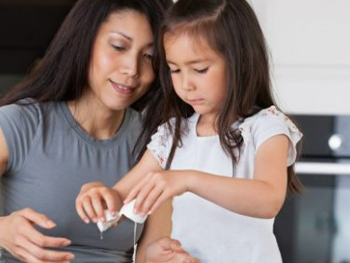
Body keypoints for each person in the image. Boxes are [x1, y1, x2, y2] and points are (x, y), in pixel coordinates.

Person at [75, 0, 303, 262]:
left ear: (240, 60)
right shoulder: (174, 134)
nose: (185, 85)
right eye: (175, 70)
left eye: (199, 69)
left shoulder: (266, 127)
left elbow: (268, 198)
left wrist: (189, 180)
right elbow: (121, 197)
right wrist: (99, 194)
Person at [0, 0, 200, 262]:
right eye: (118, 46)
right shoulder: (19, 124)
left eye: (149, 56)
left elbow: (150, 253)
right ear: (85, 41)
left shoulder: (155, 143)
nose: (132, 69)